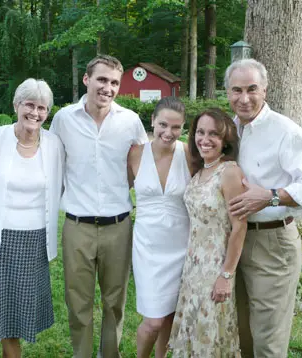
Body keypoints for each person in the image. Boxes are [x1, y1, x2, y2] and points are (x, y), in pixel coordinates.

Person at [224, 59, 302, 357]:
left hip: (272, 243)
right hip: (234, 241)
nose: (244, 98)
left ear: (265, 90)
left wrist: (270, 196)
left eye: (252, 89)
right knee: (240, 332)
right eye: (236, 90)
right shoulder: (228, 130)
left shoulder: (285, 131)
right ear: (227, 92)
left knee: (268, 339)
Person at [50, 54, 148, 357]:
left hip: (118, 225)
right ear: (86, 80)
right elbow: (54, 166)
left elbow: (138, 171)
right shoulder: (64, 119)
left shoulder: (130, 121)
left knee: (114, 301)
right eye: (102, 79)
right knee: (77, 301)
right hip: (77, 225)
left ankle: (110, 354)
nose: (108, 87)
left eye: (114, 82)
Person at [0, 79, 64, 358]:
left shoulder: (54, 144)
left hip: (33, 239)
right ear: (16, 105)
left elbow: (58, 186)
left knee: (20, 307)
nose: (35, 113)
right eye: (29, 105)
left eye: (42, 107)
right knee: (0, 307)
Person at [169, 108, 247, 357]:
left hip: (215, 268)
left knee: (209, 331)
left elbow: (239, 226)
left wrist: (226, 274)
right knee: (193, 329)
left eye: (213, 134)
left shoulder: (229, 172)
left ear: (226, 140)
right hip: (192, 266)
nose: (205, 139)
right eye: (200, 132)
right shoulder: (201, 171)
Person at [127, 96, 191, 358]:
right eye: (163, 124)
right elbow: (119, 188)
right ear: (152, 121)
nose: (169, 132)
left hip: (181, 245)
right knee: (153, 320)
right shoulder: (135, 153)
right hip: (148, 246)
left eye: (176, 127)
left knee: (170, 317)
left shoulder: (189, 153)